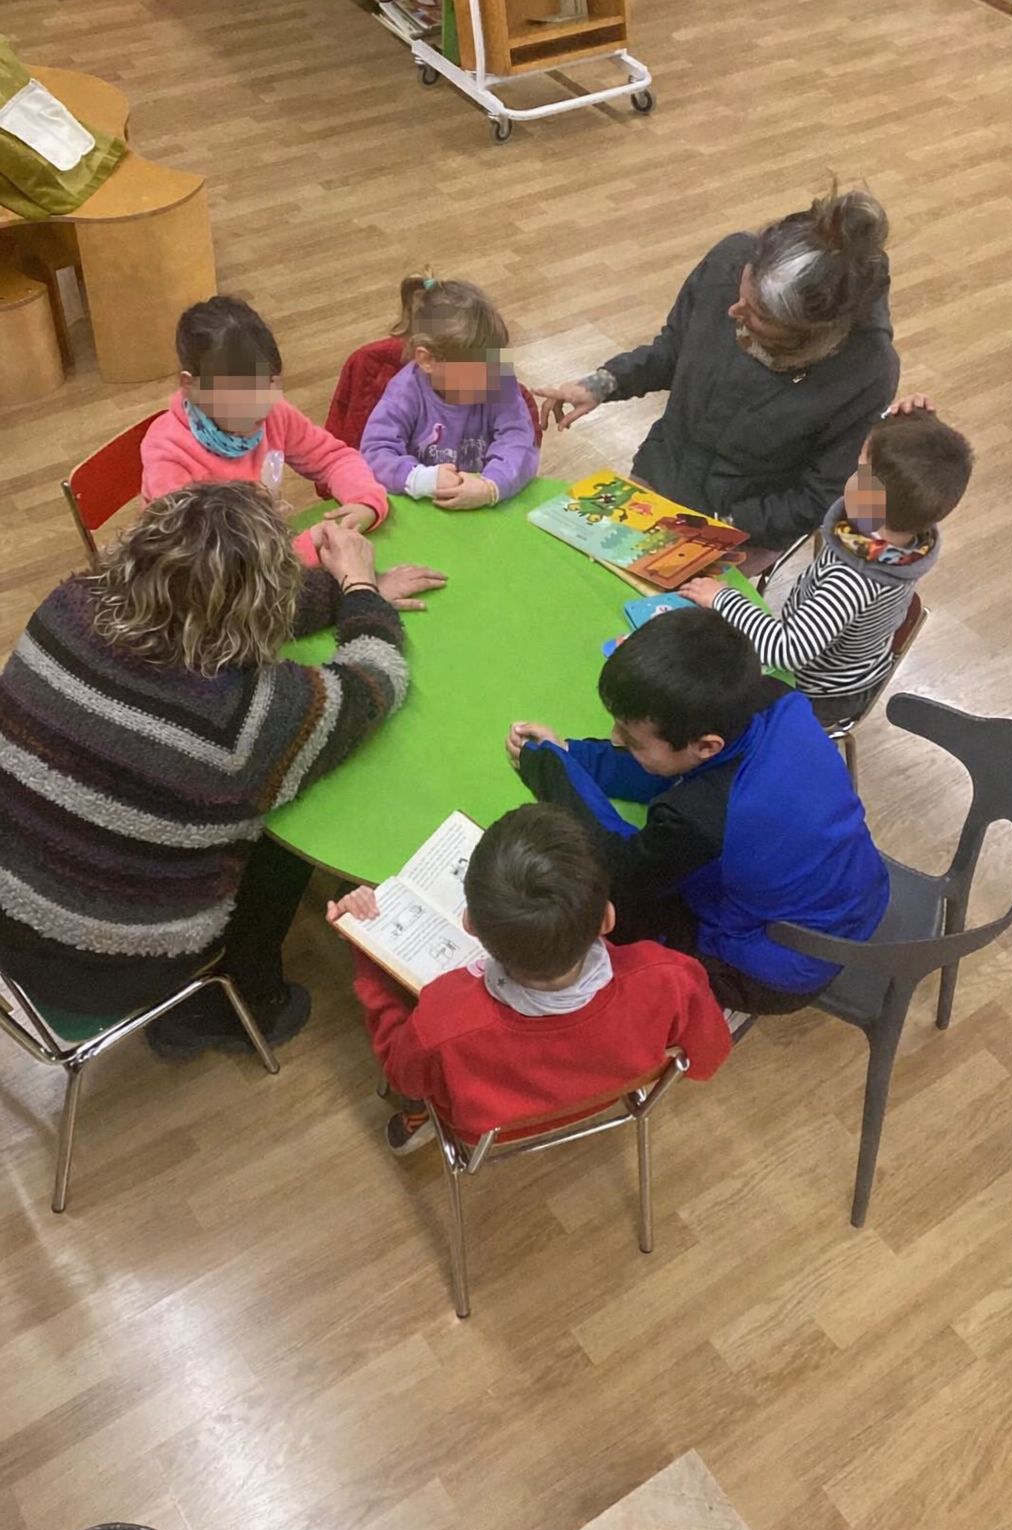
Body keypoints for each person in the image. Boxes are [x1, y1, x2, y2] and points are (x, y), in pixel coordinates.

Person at [0, 481, 412, 1058]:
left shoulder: (67, 606)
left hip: (9, 901)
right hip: (105, 967)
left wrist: (335, 594)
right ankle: (234, 1006)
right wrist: (361, 589)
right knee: (285, 829)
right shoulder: (245, 720)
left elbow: (198, 603)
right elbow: (375, 681)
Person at [506, 608, 890, 1016]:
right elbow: (680, 768)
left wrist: (551, 768)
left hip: (777, 971)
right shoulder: (769, 697)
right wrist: (576, 755)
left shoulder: (702, 819)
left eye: (632, 739)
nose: (615, 739)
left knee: (607, 911)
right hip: (860, 893)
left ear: (707, 745)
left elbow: (618, 867)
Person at [328, 804, 731, 1153]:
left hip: (484, 1130)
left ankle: (420, 1119)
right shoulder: (670, 976)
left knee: (426, 1063)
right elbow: (706, 1059)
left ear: (469, 924)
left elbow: (402, 1074)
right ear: (607, 918)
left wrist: (367, 954)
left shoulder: (442, 1021)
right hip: (603, 1099)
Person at [535, 184, 900, 548]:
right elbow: (675, 349)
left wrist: (720, 525)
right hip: (661, 474)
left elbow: (818, 496)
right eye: (742, 292)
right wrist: (603, 383)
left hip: (744, 527)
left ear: (809, 334)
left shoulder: (867, 371)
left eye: (757, 314)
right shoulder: (730, 259)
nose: (733, 311)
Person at [681, 395, 974, 724]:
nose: (850, 475)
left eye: (859, 470)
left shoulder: (850, 581)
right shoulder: (912, 528)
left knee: (704, 700)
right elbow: (919, 471)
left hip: (814, 691)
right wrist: (901, 422)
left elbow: (787, 652)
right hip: (844, 660)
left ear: (868, 496)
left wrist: (723, 598)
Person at [140, 296, 389, 541]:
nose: (260, 405)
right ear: (191, 386)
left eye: (267, 382)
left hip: (265, 547)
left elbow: (333, 458)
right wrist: (306, 547)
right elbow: (196, 553)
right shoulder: (169, 453)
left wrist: (365, 500)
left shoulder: (274, 413)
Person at [360, 275, 540, 511]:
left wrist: (490, 487)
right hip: (423, 507)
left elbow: (519, 441)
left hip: (482, 506)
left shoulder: (497, 378)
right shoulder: (405, 391)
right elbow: (375, 452)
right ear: (427, 360)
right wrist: (422, 479)